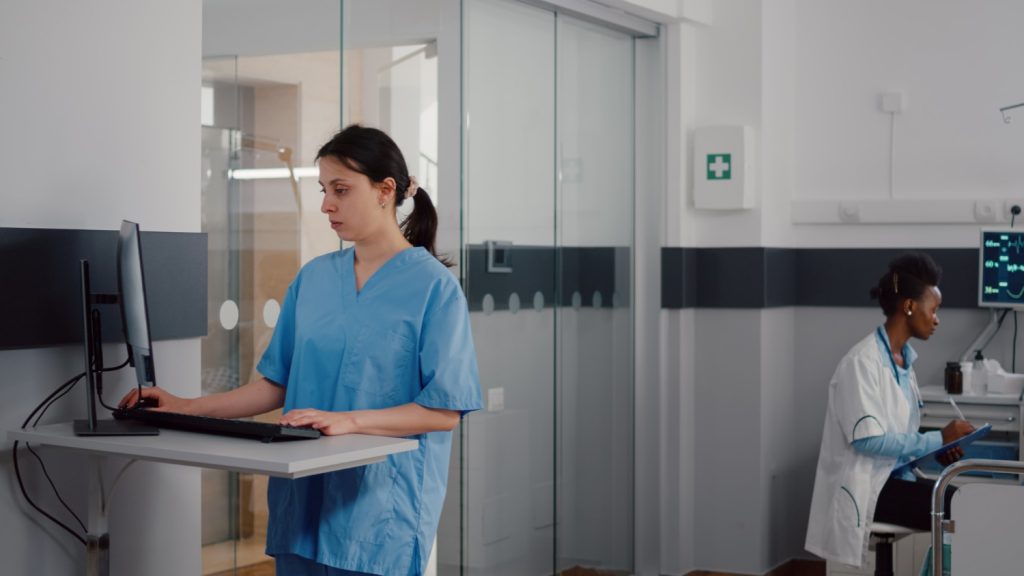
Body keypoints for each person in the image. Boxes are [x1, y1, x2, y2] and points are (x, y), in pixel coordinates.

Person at [120, 124, 483, 575]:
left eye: (341, 189)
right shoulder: (313, 279)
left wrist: (348, 422)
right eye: (323, 189)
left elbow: (444, 411)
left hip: (378, 508)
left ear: (384, 191)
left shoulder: (434, 288)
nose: (326, 204)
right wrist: (185, 406)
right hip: (303, 498)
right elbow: (275, 385)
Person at [805, 252, 974, 568]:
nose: (936, 319)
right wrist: (937, 438)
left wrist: (940, 449)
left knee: (965, 497)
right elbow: (867, 440)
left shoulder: (902, 361)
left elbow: (898, 437)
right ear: (909, 306)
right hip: (869, 488)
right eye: (933, 310)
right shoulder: (862, 363)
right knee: (960, 506)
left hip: (893, 478)